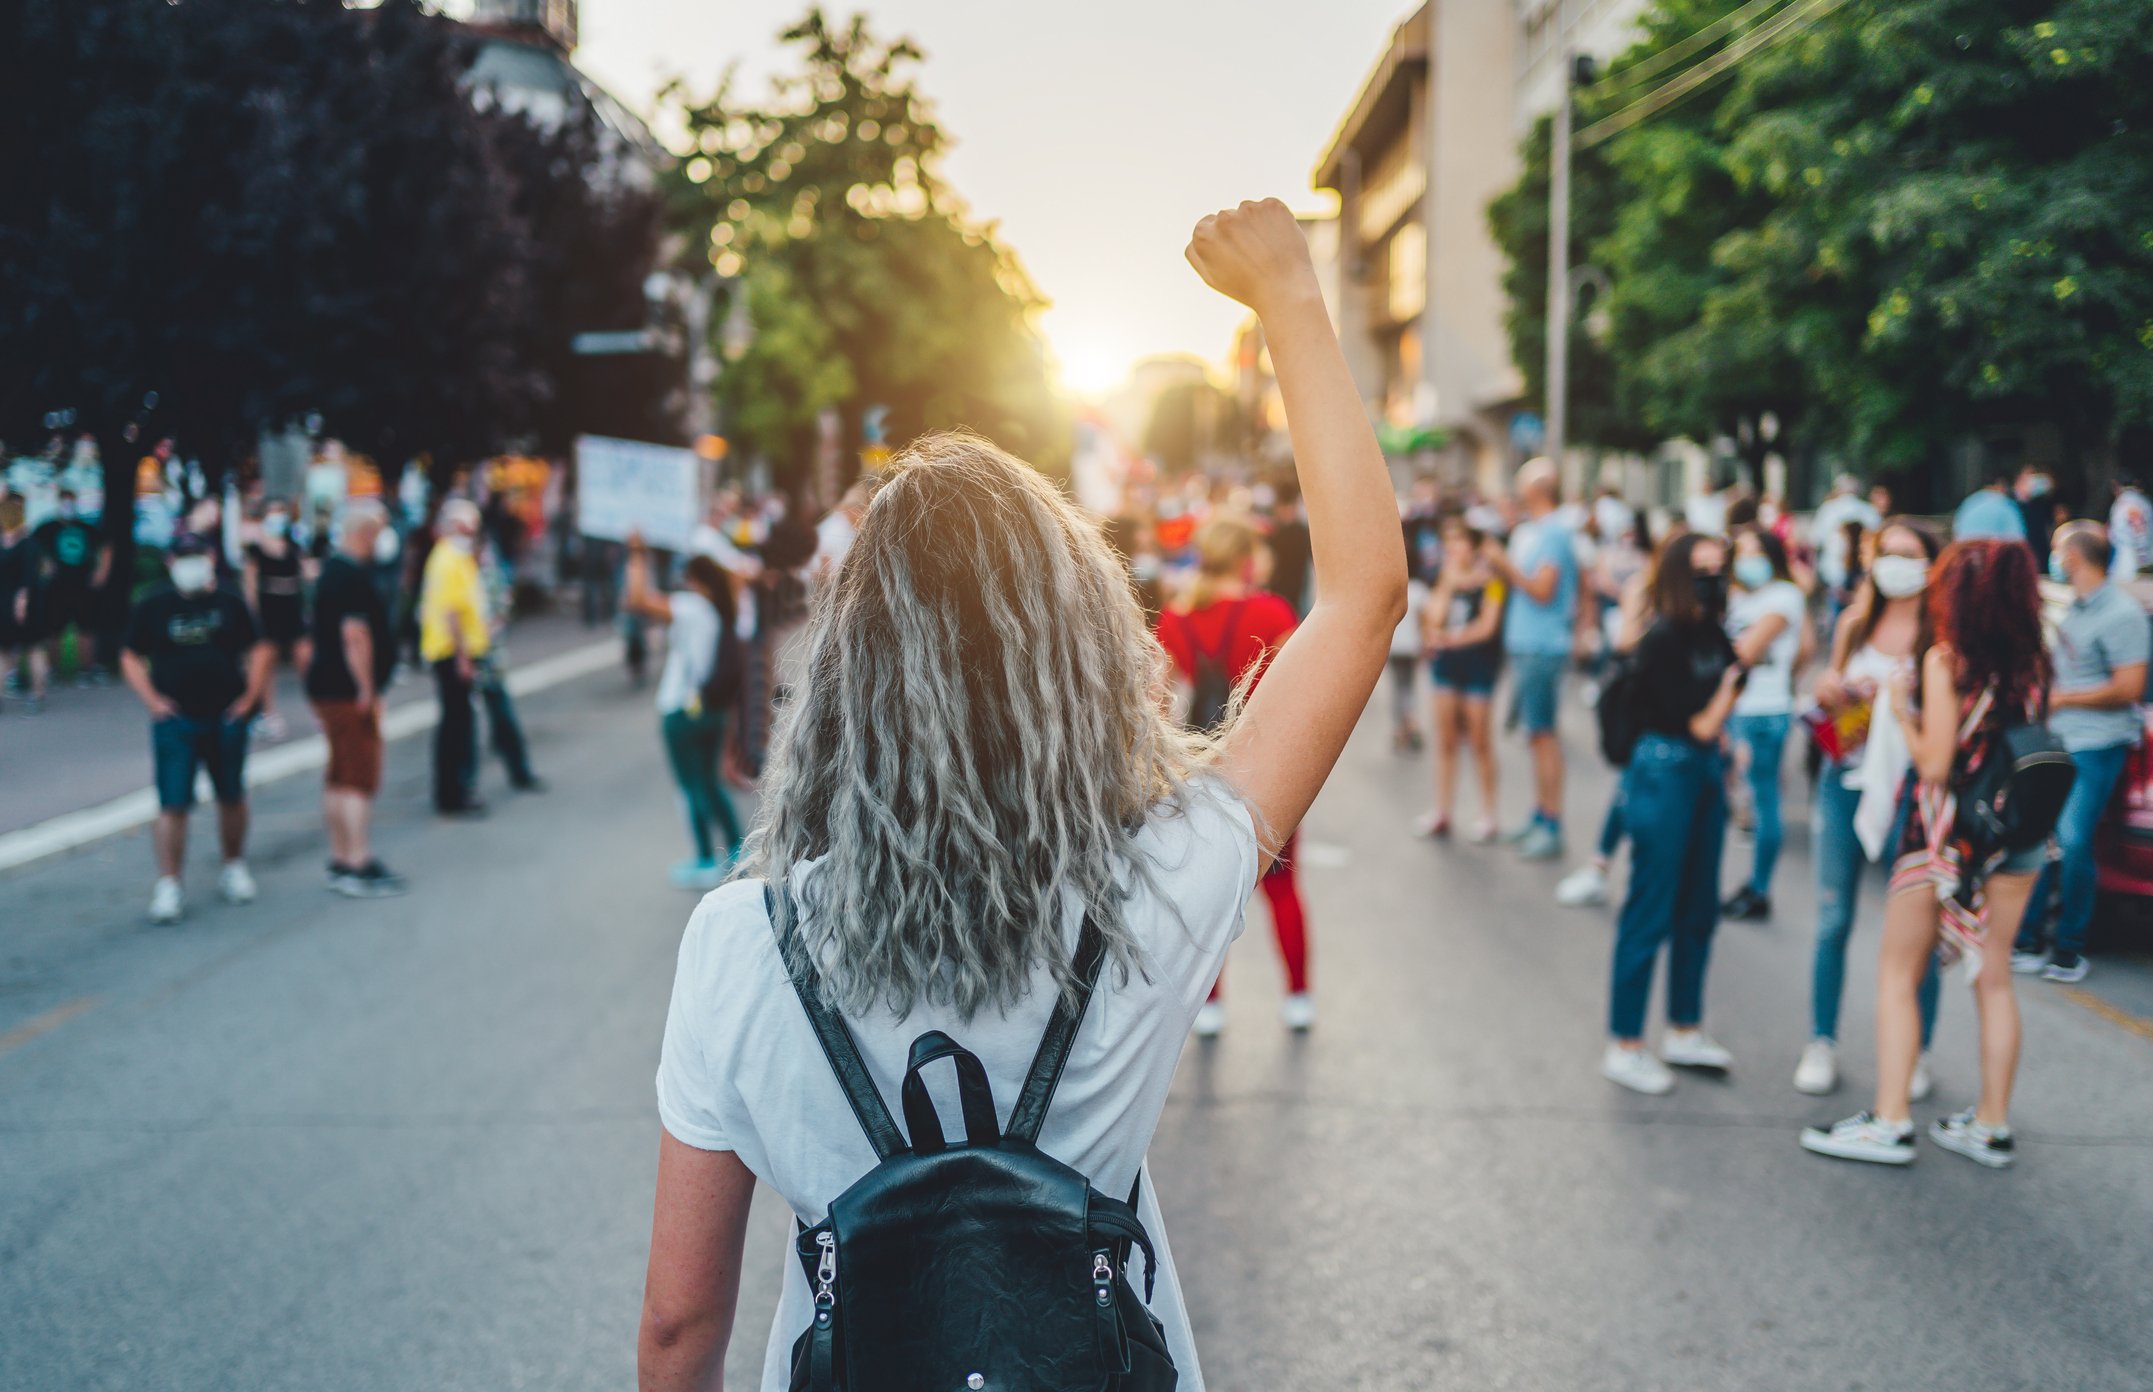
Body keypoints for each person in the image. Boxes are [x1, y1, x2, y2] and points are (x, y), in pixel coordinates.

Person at [638, 198, 1407, 1391]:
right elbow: (1361, 597)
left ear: (846, 676)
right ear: (1083, 655)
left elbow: (681, 1328)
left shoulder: (741, 944)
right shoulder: (1152, 886)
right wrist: (1290, 303)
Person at [1802, 539, 2048, 1168]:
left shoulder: (1946, 659)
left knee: (1896, 974)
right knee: (1993, 979)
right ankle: (1991, 1126)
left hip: (1947, 837)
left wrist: (1901, 712)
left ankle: (1889, 1121)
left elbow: (1936, 763)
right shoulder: (2036, 661)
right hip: (2016, 835)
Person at [1797, 519, 1944, 1097]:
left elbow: (1944, 728)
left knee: (1915, 932)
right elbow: (1829, 696)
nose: (1895, 563)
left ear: (1932, 565)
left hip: (1912, 792)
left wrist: (1900, 705)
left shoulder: (1940, 635)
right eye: (1887, 553)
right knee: (1833, 919)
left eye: (1909, 555)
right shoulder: (1856, 621)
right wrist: (1830, 692)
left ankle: (1918, 1051)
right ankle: (1820, 1041)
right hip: (1845, 778)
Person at [1599, 533, 1743, 1094]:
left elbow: (1718, 708)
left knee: (1700, 907)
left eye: (1720, 568)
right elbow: (1703, 720)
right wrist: (1729, 695)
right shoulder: (1660, 638)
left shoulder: (1711, 630)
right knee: (1650, 907)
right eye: (1702, 569)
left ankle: (1685, 1028)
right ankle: (1625, 1043)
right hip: (1664, 772)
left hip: (1704, 772)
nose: (1714, 578)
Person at [1156, 515, 1309, 1035]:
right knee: (1283, 887)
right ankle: (1297, 997)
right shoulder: (1272, 612)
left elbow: (1160, 706)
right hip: (1271, 765)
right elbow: (1298, 699)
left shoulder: (1175, 620)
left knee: (1207, 893)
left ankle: (1211, 1004)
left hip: (1202, 770)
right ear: (1246, 558)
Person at [2011, 523, 2149, 983]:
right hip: (2060, 740)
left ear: (2072, 557)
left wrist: (2065, 699)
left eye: (2056, 551)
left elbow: (2128, 688)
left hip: (2097, 743)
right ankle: (2027, 940)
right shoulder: (2075, 609)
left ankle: (2069, 948)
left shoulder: (2122, 615)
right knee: (2038, 837)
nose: (2053, 559)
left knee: (2072, 840)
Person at [119, 534, 272, 924]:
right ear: (171, 561)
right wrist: (153, 702)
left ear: (210, 558)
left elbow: (259, 648)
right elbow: (130, 655)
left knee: (232, 794)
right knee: (173, 803)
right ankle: (169, 883)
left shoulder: (229, 601)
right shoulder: (154, 603)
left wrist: (250, 699)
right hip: (177, 718)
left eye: (197, 556)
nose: (191, 564)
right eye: (183, 557)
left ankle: (233, 865)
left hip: (225, 714)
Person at [623, 535, 747, 890]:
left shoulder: (692, 608)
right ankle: (735, 848)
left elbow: (637, 600)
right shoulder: (723, 611)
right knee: (710, 782)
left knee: (691, 785)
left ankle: (706, 857)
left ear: (696, 581)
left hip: (681, 710)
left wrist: (636, 553)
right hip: (712, 708)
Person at [306, 499, 407, 898]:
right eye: (380, 529)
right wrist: (367, 689)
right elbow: (355, 636)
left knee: (338, 774)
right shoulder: (350, 577)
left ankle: (341, 856)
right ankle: (356, 861)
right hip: (347, 692)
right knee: (358, 777)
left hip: (327, 687)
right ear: (365, 532)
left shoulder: (334, 571)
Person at [1482, 458, 1579, 860]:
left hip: (1541, 646)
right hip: (1528, 644)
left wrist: (1506, 568)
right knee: (1535, 735)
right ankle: (1541, 816)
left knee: (1542, 735)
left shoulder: (1553, 533)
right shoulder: (1535, 531)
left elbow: (1542, 589)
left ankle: (1551, 823)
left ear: (1539, 488)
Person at [1721, 526, 1808, 921]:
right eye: (1741, 551)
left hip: (1764, 710)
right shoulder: (1739, 596)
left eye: (1756, 550)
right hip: (1739, 706)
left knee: (1764, 799)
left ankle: (1759, 887)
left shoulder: (1783, 596)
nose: (1748, 558)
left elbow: (1747, 651)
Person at [1421, 508, 1505, 840]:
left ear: (1474, 547)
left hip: (1478, 665)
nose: (1452, 551)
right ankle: (1442, 810)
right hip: (1447, 666)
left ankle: (1488, 813)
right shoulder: (1447, 576)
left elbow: (1488, 626)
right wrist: (1448, 583)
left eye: (1458, 544)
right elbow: (1433, 618)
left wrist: (1450, 638)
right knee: (1445, 739)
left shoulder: (1493, 581)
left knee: (1480, 739)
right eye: (1449, 545)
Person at [418, 499, 490, 817]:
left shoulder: (455, 557)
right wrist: (463, 657)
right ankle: (452, 794)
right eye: (466, 527)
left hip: (455, 652)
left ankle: (456, 790)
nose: (471, 533)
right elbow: (452, 613)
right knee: (456, 725)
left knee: (458, 723)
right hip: (451, 654)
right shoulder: (448, 559)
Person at [242, 499, 308, 739]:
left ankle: (320, 708)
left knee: (305, 656)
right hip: (269, 605)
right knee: (266, 661)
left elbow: (304, 572)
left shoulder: (293, 544)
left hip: (291, 603)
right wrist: (253, 613)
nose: (278, 516)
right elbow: (250, 582)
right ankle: (267, 714)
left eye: (281, 511)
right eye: (273, 511)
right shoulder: (256, 549)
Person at [33, 486, 111, 684]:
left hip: (82, 586)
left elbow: (106, 546)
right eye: (64, 500)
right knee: (54, 630)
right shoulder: (47, 528)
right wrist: (43, 566)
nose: (67, 505)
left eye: (70, 500)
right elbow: (31, 549)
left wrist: (101, 572)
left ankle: (87, 670)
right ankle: (53, 670)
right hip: (56, 588)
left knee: (86, 628)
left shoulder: (85, 527)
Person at [0, 494, 50, 712]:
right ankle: (34, 695)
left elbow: (29, 577)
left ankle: (37, 693)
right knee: (11, 650)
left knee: (31, 649)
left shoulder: (27, 544)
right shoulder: (28, 543)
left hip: (24, 602)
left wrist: (22, 601)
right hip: (7, 602)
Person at [1952, 468, 2029, 542]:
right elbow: (2017, 540)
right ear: (2001, 483)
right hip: (1994, 553)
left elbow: (1956, 533)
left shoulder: (1969, 503)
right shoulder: (2006, 505)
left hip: (1965, 553)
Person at [2107, 474, 2152, 578]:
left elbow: (2138, 530)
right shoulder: (2141, 501)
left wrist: (2142, 558)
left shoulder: (2129, 503)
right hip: (2134, 557)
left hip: (2130, 560)